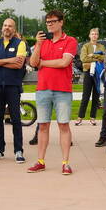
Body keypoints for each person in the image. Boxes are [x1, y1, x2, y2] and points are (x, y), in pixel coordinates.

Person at [26, 10, 79, 174]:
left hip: (62, 89)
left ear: (61, 22)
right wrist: (38, 45)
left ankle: (65, 163)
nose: (49, 24)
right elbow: (34, 63)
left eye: (53, 21)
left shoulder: (70, 41)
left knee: (63, 125)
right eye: (47, 22)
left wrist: (44, 62)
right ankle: (40, 161)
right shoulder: (43, 42)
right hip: (43, 88)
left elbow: (64, 62)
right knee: (43, 126)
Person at [0, 18, 28, 163]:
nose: (7, 28)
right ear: (2, 28)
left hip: (13, 86)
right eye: (5, 25)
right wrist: (9, 60)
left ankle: (18, 151)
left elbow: (19, 64)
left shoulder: (20, 43)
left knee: (16, 119)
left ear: (14, 29)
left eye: (10, 26)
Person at [76, 28, 106, 126]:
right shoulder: (85, 46)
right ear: (89, 35)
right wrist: (96, 58)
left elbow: (103, 58)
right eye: (92, 34)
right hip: (88, 72)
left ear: (98, 36)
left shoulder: (101, 46)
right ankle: (80, 117)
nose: (94, 36)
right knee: (85, 96)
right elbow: (83, 58)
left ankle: (93, 117)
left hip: (98, 73)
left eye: (96, 34)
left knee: (96, 96)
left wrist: (92, 55)